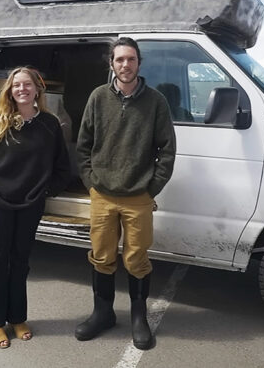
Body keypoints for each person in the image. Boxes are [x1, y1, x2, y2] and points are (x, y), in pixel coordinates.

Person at [75, 37, 176, 350]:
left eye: (131, 59)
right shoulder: (97, 97)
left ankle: (138, 317)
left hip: (138, 197)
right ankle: (103, 313)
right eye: (119, 60)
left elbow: (167, 151)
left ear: (139, 63)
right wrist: (92, 183)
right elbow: (83, 147)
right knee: (102, 256)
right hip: (102, 195)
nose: (125, 65)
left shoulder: (156, 101)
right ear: (112, 64)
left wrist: (151, 188)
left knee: (137, 259)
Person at [0, 67, 70, 349]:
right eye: (16, 85)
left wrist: (47, 190)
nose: (21, 89)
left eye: (27, 85)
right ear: (10, 91)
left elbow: (62, 166)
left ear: (37, 90)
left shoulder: (49, 124)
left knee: (20, 262)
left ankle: (17, 317)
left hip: (30, 204)